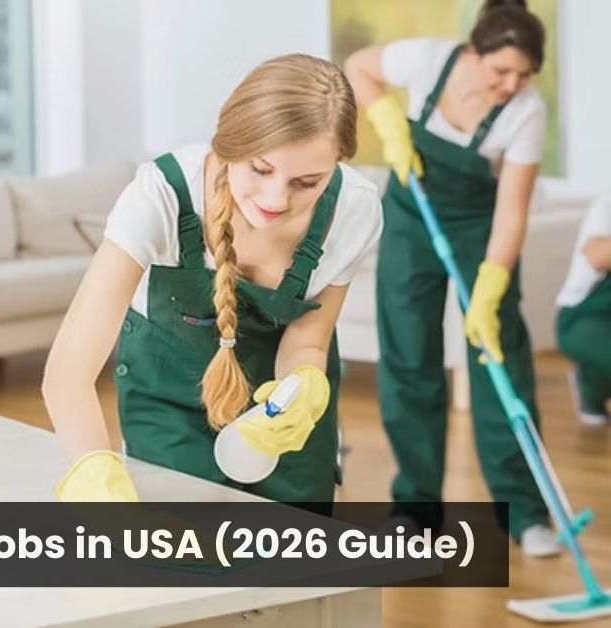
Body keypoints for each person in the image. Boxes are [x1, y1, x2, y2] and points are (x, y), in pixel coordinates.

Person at [42, 54, 383, 509]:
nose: (275, 198)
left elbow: (309, 339)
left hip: (277, 416)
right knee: (183, 555)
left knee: (298, 561)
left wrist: (302, 386)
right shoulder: (160, 197)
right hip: (171, 402)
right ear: (227, 144)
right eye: (260, 169)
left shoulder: (355, 210)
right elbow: (68, 372)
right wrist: (91, 468)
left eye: (307, 182)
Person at [344, 0, 559, 555]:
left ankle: (526, 512)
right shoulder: (428, 59)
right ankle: (415, 507)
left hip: (477, 227)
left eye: (523, 75)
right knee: (409, 355)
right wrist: (388, 122)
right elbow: (359, 67)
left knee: (497, 357)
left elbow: (512, 210)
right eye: (500, 70)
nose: (511, 84)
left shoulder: (526, 113)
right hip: (412, 214)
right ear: (472, 52)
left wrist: (490, 288)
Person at [556, 198, 611, 426]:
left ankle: (591, 382)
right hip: (583, 317)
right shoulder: (606, 207)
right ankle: (590, 384)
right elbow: (597, 256)